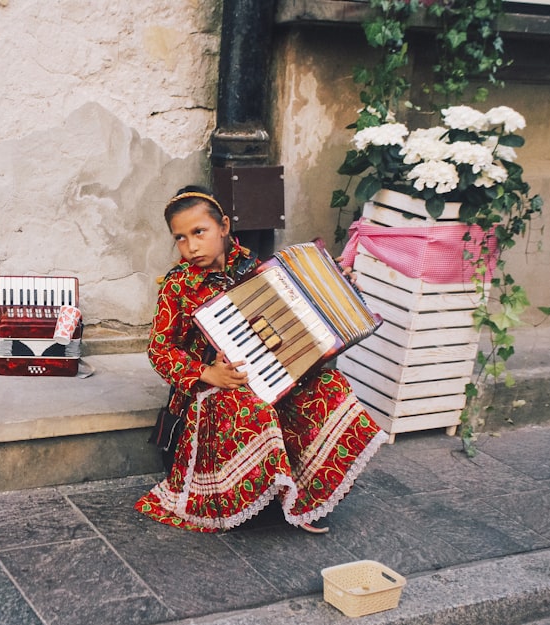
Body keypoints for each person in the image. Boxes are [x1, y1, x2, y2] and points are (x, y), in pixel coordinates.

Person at [135, 186, 386, 533]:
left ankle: (305, 496)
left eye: (199, 232)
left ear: (223, 226)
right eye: (180, 237)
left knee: (330, 386)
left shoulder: (258, 268)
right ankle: (254, 495)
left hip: (272, 374)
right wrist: (208, 372)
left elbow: (297, 328)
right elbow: (160, 349)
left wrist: (339, 289)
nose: (190, 246)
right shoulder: (178, 285)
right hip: (208, 392)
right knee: (253, 403)